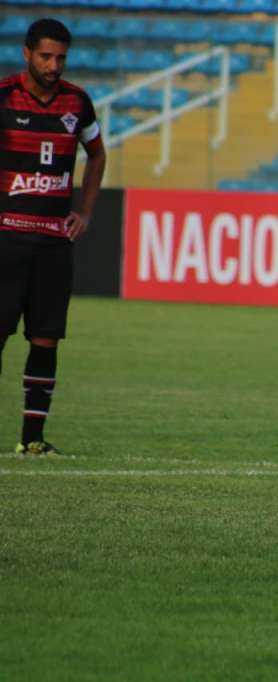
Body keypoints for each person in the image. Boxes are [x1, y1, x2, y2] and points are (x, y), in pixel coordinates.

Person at [0, 18, 106, 456]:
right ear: (27, 53)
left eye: (60, 57)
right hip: (6, 239)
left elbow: (97, 154)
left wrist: (83, 211)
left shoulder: (77, 102)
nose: (53, 64)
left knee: (46, 339)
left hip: (53, 244)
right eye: (46, 56)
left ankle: (32, 440)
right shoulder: (3, 96)